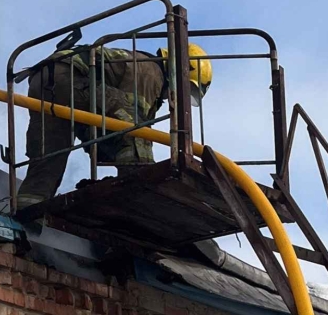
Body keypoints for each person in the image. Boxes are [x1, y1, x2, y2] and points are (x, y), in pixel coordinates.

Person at [15, 43, 213, 210]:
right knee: (136, 128)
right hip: (71, 78)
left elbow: (107, 126)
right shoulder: (151, 72)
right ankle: (142, 189)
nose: (181, 97)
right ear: (180, 71)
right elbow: (133, 129)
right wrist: (150, 179)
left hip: (44, 80)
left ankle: (27, 213)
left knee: (50, 154)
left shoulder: (143, 67)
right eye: (188, 88)